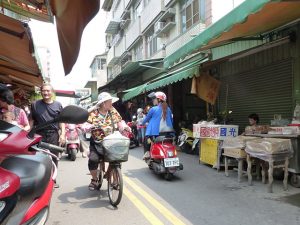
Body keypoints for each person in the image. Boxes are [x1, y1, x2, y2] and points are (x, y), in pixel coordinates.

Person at [87, 92, 130, 190]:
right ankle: (94, 179)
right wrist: (90, 126)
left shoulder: (113, 111)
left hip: (111, 141)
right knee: (93, 159)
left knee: (116, 159)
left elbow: (120, 122)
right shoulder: (93, 113)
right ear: (103, 103)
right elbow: (85, 125)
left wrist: (124, 127)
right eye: (109, 102)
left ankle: (115, 180)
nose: (111, 103)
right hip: (97, 142)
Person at [29, 83, 65, 188]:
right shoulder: (34, 104)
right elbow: (31, 121)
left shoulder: (58, 105)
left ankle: (53, 180)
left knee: (54, 157)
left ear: (52, 92)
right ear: (41, 92)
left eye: (48, 91)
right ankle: (41, 180)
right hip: (39, 135)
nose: (46, 93)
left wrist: (63, 134)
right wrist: (27, 133)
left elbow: (62, 121)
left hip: (53, 134)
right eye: (44, 90)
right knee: (39, 158)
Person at [142, 91, 174, 156]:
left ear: (159, 100)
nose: (153, 100)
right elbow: (171, 120)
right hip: (169, 134)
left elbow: (145, 120)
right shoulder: (169, 109)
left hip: (156, 135)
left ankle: (147, 153)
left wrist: (142, 123)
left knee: (146, 139)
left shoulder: (153, 109)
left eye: (154, 99)